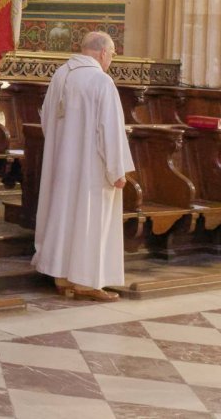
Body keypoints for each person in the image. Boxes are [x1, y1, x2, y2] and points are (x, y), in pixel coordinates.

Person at [31, 30, 134, 301]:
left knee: (64, 218)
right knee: (89, 221)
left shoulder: (60, 75)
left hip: (61, 164)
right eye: (111, 54)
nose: (111, 59)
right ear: (101, 52)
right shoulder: (101, 81)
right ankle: (87, 282)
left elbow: (46, 122)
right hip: (91, 169)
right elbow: (109, 130)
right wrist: (117, 170)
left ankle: (62, 277)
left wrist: (61, 148)